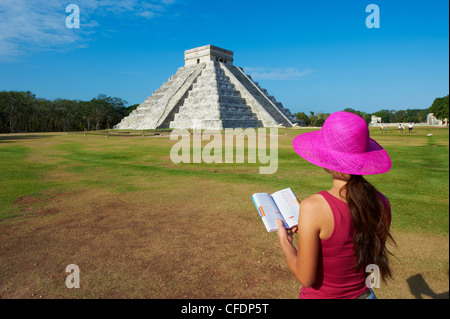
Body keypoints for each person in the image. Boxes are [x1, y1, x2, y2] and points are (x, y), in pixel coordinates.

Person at [277, 111, 395, 299]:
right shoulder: (382, 203)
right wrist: (312, 234)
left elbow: (306, 278)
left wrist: (284, 240)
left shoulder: (313, 207)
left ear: (326, 159)